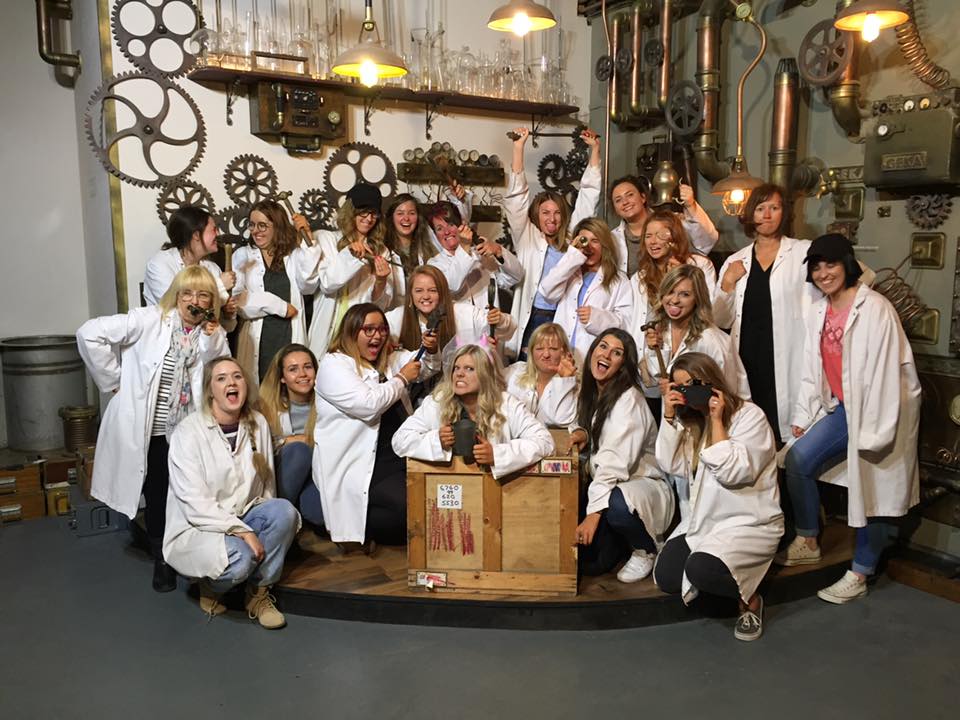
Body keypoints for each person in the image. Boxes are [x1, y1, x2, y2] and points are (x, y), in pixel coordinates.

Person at [776, 234, 920, 604]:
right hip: (843, 409)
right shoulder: (820, 309)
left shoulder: (875, 309)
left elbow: (888, 374)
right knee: (798, 460)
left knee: (874, 490)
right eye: (816, 267)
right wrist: (803, 414)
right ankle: (808, 538)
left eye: (832, 264)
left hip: (880, 410)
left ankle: (860, 572)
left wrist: (875, 431)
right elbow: (813, 368)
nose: (824, 273)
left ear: (848, 265)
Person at [75, 266, 229, 592]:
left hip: (187, 431)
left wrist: (212, 338)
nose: (193, 300)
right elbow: (89, 333)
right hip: (149, 430)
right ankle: (162, 559)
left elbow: (221, 373)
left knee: (184, 493)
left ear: (210, 301)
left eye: (202, 295)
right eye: (187, 293)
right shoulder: (149, 320)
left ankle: (185, 554)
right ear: (176, 295)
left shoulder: (211, 334)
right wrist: (113, 380)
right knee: (157, 494)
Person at [653, 353, 783, 642]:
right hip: (706, 522)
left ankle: (749, 601)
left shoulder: (749, 417)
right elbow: (670, 463)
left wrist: (717, 421)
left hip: (748, 523)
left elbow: (734, 473)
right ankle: (719, 580)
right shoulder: (694, 422)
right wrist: (669, 415)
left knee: (700, 569)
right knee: (667, 576)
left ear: (710, 380)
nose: (687, 393)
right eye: (680, 387)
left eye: (692, 384)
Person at [164, 356, 299, 629]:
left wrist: (269, 531)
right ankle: (210, 586)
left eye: (237, 376)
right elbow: (195, 506)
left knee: (285, 512)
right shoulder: (187, 433)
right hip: (201, 526)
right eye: (221, 378)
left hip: (243, 515)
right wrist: (243, 531)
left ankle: (258, 593)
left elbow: (266, 485)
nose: (231, 383)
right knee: (240, 560)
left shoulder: (257, 423)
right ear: (209, 390)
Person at [313, 303, 439, 546]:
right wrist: (401, 379)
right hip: (364, 462)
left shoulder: (389, 359)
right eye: (369, 329)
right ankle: (359, 529)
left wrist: (430, 350)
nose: (377, 336)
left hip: (397, 452)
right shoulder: (333, 364)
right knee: (408, 509)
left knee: (430, 497)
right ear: (351, 332)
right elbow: (367, 405)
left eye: (382, 329)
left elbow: (426, 367)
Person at [711, 184, 814, 444]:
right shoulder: (736, 261)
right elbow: (721, 319)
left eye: (774, 208)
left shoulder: (803, 252)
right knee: (751, 429)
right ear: (750, 215)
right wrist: (728, 282)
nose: (767, 215)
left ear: (784, 213)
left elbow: (848, 276)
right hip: (748, 355)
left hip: (788, 353)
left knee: (784, 430)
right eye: (760, 208)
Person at [568, 329, 674, 582]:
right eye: (603, 346)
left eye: (616, 353)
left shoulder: (629, 399)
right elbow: (586, 426)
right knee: (590, 564)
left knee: (617, 506)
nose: (606, 355)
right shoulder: (591, 390)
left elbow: (614, 461)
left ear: (623, 365)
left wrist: (593, 515)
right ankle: (621, 541)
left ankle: (646, 548)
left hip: (637, 486)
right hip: (606, 484)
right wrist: (584, 433)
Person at [503, 126, 602, 360]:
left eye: (557, 212)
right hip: (533, 315)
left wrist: (595, 150)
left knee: (559, 368)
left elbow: (588, 198)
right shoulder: (527, 237)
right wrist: (518, 148)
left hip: (562, 314)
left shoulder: (571, 238)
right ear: (536, 215)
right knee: (527, 369)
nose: (552, 218)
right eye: (546, 212)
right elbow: (516, 199)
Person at [392, 343, 555, 480]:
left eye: (469, 369)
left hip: (495, 490)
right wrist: (437, 441)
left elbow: (545, 441)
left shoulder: (506, 403)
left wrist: (498, 455)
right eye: (456, 368)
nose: (459, 374)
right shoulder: (438, 402)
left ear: (484, 375)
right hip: (449, 485)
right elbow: (400, 440)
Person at [234, 200, 323, 382]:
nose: (255, 231)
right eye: (252, 225)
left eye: (262, 225)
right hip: (260, 341)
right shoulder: (243, 255)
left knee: (291, 387)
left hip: (289, 335)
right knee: (258, 389)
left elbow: (308, 285)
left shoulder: (293, 255)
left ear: (277, 226)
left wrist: (308, 237)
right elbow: (237, 300)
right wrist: (279, 306)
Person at [307, 183, 400, 359]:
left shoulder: (381, 251)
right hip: (328, 328)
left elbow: (380, 306)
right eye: (363, 212)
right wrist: (350, 255)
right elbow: (327, 284)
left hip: (359, 331)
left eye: (373, 213)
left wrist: (381, 281)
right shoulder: (327, 239)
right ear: (351, 211)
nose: (369, 219)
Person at [641, 264, 750, 405]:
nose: (674, 300)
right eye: (670, 292)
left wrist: (678, 390)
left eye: (685, 294)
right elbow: (656, 378)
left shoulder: (713, 340)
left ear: (698, 298)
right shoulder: (662, 330)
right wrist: (654, 350)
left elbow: (728, 394)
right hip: (671, 414)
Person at [536, 217, 633, 364]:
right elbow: (546, 292)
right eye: (584, 240)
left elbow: (626, 323)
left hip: (592, 356)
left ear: (604, 245)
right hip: (561, 354)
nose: (589, 247)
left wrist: (597, 318)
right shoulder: (569, 271)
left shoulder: (619, 280)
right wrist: (572, 256)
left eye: (595, 241)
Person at [258, 343, 325, 539]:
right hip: (281, 475)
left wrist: (309, 440)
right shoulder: (265, 405)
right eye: (293, 369)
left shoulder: (327, 403)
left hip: (316, 472)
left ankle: (299, 520)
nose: (302, 374)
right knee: (299, 451)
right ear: (282, 377)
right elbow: (257, 448)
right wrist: (288, 441)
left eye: (308, 367)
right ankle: (279, 526)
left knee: (320, 513)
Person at [609, 175, 718, 276]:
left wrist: (691, 205)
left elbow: (706, 242)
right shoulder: (611, 239)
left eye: (630, 195)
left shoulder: (672, 222)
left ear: (643, 197)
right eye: (618, 200)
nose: (625, 202)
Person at [426, 201, 523, 309]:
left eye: (451, 224)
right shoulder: (434, 265)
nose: (446, 232)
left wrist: (498, 251)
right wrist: (464, 247)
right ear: (435, 235)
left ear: (462, 225)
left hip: (489, 319)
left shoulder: (481, 255)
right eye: (439, 228)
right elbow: (452, 285)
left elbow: (516, 276)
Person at [382, 182, 470, 297]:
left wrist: (459, 200)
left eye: (411, 213)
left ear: (418, 217)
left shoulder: (428, 244)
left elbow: (457, 226)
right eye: (400, 213)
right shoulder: (384, 249)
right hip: (395, 308)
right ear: (391, 218)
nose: (406, 218)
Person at [629, 209, 717, 322]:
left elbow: (709, 310)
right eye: (648, 236)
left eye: (660, 235)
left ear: (675, 237)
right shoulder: (639, 277)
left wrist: (679, 278)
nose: (652, 241)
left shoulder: (700, 265)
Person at [143, 205, 234, 305]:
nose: (218, 234)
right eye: (214, 229)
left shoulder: (212, 268)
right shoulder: (159, 264)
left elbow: (215, 309)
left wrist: (226, 311)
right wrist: (220, 285)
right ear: (196, 235)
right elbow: (173, 306)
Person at [503, 322, 578, 428]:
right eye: (540, 349)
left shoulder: (574, 385)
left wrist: (565, 380)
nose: (546, 355)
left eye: (553, 349)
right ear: (531, 351)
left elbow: (562, 420)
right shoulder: (515, 371)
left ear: (564, 352)